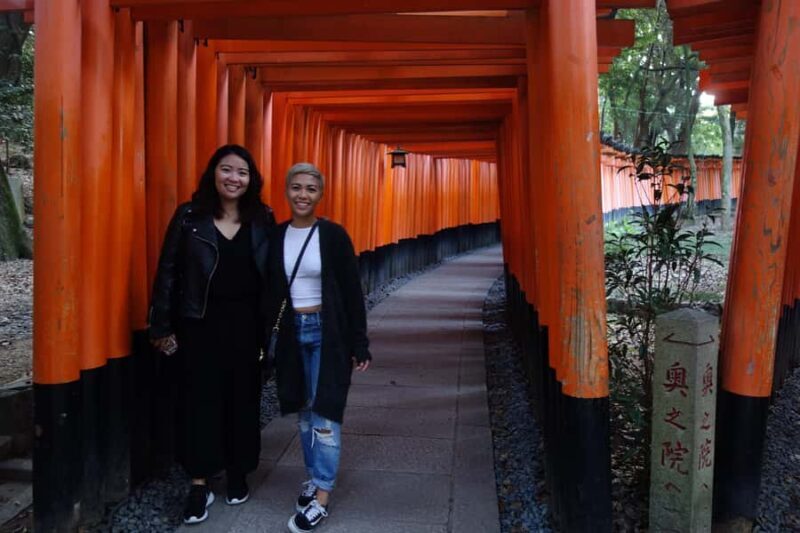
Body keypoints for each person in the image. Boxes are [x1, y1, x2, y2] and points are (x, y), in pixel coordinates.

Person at [149, 144, 275, 525]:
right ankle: (200, 483)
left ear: (251, 179)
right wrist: (160, 324)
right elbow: (167, 271)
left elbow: (274, 275)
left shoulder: (262, 218)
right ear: (213, 173)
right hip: (199, 323)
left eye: (242, 172)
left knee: (243, 398)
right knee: (199, 401)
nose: (234, 178)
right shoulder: (190, 217)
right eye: (227, 170)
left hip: (247, 325)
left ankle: (238, 472)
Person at [265, 162, 371, 533]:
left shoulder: (334, 236)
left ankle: (322, 495)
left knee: (326, 413)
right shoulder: (275, 236)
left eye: (310, 188)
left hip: (328, 332)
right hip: (293, 333)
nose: (303, 194)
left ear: (320, 194)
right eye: (296, 187)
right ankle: (313, 477)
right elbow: (268, 291)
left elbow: (352, 291)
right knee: (304, 411)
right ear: (286, 191)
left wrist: (361, 341)